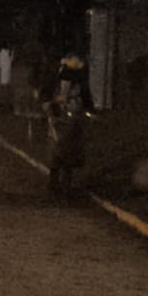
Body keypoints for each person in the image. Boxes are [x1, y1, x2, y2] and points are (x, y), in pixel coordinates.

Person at [43, 53, 91, 197]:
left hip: (71, 118)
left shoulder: (78, 84)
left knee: (68, 150)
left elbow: (86, 99)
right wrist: (51, 106)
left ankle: (64, 184)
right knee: (57, 149)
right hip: (59, 117)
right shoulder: (56, 81)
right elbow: (46, 96)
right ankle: (54, 183)